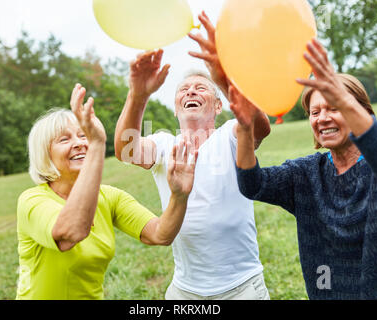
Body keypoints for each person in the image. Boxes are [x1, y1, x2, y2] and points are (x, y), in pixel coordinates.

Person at [114, 12, 271, 300]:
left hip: (243, 286)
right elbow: (126, 150)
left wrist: (220, 75)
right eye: (184, 89)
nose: (191, 91)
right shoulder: (164, 145)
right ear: (176, 108)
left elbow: (259, 126)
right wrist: (137, 95)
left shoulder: (229, 136)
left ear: (218, 105)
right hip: (186, 292)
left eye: (201, 88)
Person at [231, 38, 377, 299]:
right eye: (314, 111)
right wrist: (244, 128)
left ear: (359, 111)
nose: (322, 118)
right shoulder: (306, 174)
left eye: (334, 107)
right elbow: (252, 184)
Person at [16, 83, 198, 300]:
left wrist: (179, 196)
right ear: (44, 154)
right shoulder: (32, 201)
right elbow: (70, 233)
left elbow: (160, 234)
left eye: (83, 135)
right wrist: (96, 144)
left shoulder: (110, 197)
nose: (79, 144)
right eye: (64, 139)